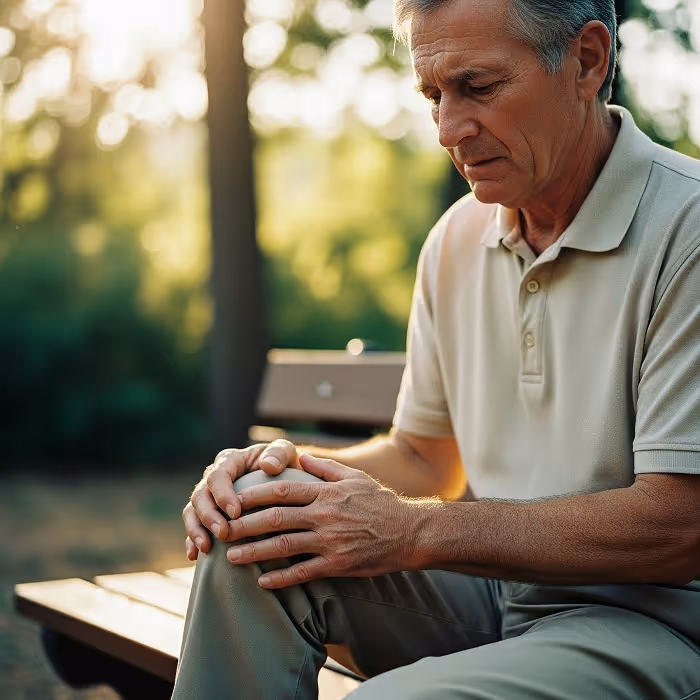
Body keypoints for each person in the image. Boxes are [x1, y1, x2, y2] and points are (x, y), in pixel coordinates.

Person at [175, 0, 700, 697]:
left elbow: (678, 523)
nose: (449, 130)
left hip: (652, 624)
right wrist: (279, 471)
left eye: (479, 87)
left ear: (587, 61)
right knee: (255, 524)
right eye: (434, 95)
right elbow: (426, 456)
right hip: (494, 595)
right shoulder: (457, 238)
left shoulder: (686, 231)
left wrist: (417, 532)